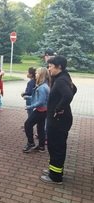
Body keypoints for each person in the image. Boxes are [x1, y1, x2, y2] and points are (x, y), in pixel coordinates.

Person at [40, 56, 77, 184]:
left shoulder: (61, 80)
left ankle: (55, 177)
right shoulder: (64, 77)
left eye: (50, 66)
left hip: (58, 121)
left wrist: (58, 108)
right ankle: (54, 171)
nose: (48, 68)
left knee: (56, 147)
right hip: (59, 120)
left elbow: (68, 95)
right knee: (54, 146)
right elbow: (74, 89)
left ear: (59, 66)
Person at [23, 67, 50, 153]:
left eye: (37, 73)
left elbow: (41, 102)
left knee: (27, 124)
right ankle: (41, 146)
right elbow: (40, 98)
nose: (35, 75)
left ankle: (31, 143)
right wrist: (28, 97)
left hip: (41, 111)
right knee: (40, 128)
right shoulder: (45, 85)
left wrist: (30, 106)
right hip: (44, 111)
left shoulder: (42, 87)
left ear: (41, 75)